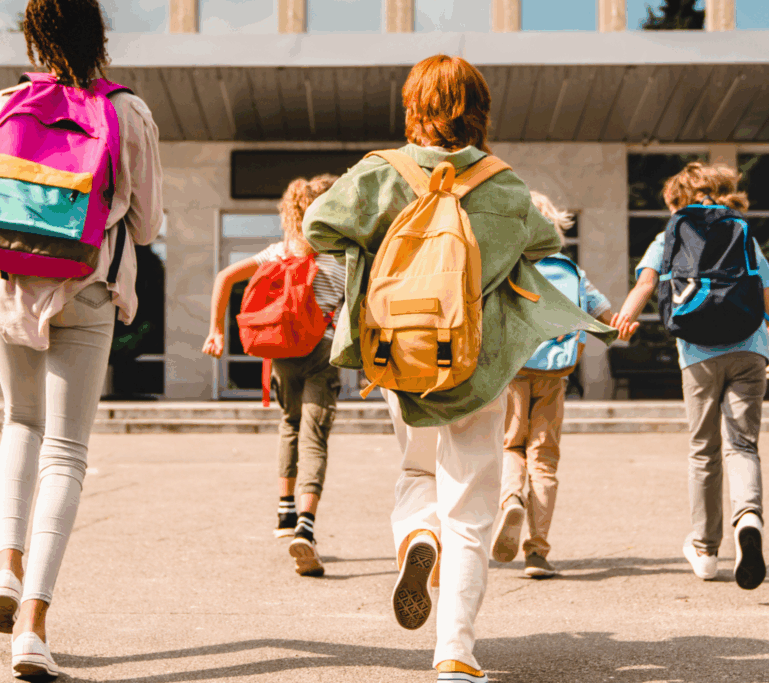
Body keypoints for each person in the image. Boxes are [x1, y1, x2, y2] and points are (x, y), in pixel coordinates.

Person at [304, 54, 616, 683]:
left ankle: (417, 535)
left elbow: (318, 226)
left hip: (399, 354)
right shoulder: (503, 185)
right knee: (471, 504)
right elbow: (547, 244)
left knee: (417, 467)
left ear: (413, 107)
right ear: (480, 110)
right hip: (477, 361)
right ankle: (455, 650)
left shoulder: (379, 173)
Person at [0, 0, 163, 678]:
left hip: (10, 283)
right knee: (68, 448)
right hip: (86, 285)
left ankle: (5, 566)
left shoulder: (6, 101)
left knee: (18, 422)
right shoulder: (128, 110)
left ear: (33, 36)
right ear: (98, 36)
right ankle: (33, 624)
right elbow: (147, 223)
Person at [612, 162, 769, 591]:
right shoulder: (742, 232)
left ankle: (705, 550)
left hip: (698, 354)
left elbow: (646, 285)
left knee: (704, 450)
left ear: (677, 201)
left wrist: (624, 320)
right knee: (742, 444)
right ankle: (749, 519)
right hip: (749, 349)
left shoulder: (668, 235)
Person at [202, 174, 342, 577]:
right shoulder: (341, 257)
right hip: (322, 351)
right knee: (314, 435)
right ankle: (306, 526)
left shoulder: (279, 252)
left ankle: (284, 511)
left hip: (283, 352)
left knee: (290, 423)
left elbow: (223, 277)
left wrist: (216, 331)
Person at [491, 190, 617, 579]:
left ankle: (511, 497)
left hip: (513, 369)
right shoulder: (572, 271)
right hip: (556, 373)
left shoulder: (509, 266)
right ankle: (537, 552)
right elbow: (605, 315)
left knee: (512, 444)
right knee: (543, 459)